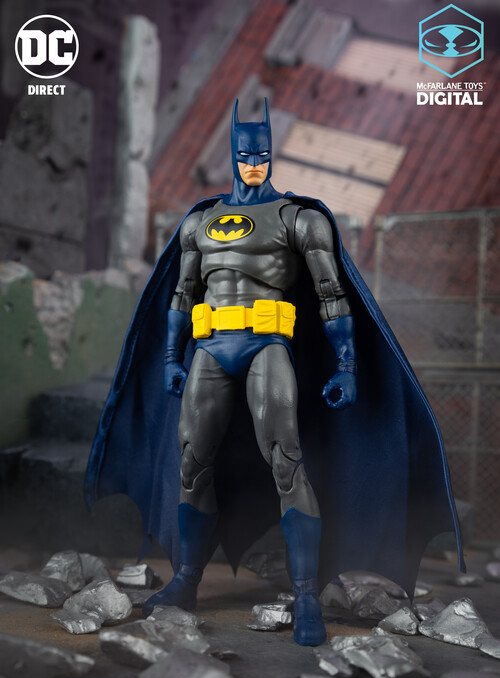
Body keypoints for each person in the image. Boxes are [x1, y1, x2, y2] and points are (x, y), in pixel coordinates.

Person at [85, 100, 464, 647]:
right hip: (210, 349)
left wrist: (348, 366)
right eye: (246, 155)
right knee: (192, 463)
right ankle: (187, 579)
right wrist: (170, 357)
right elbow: (182, 295)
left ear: (272, 154)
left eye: (262, 155)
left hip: (267, 346)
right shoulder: (199, 222)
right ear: (232, 155)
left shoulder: (298, 219)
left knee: (287, 463)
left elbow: (332, 296)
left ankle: (306, 594)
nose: (254, 164)